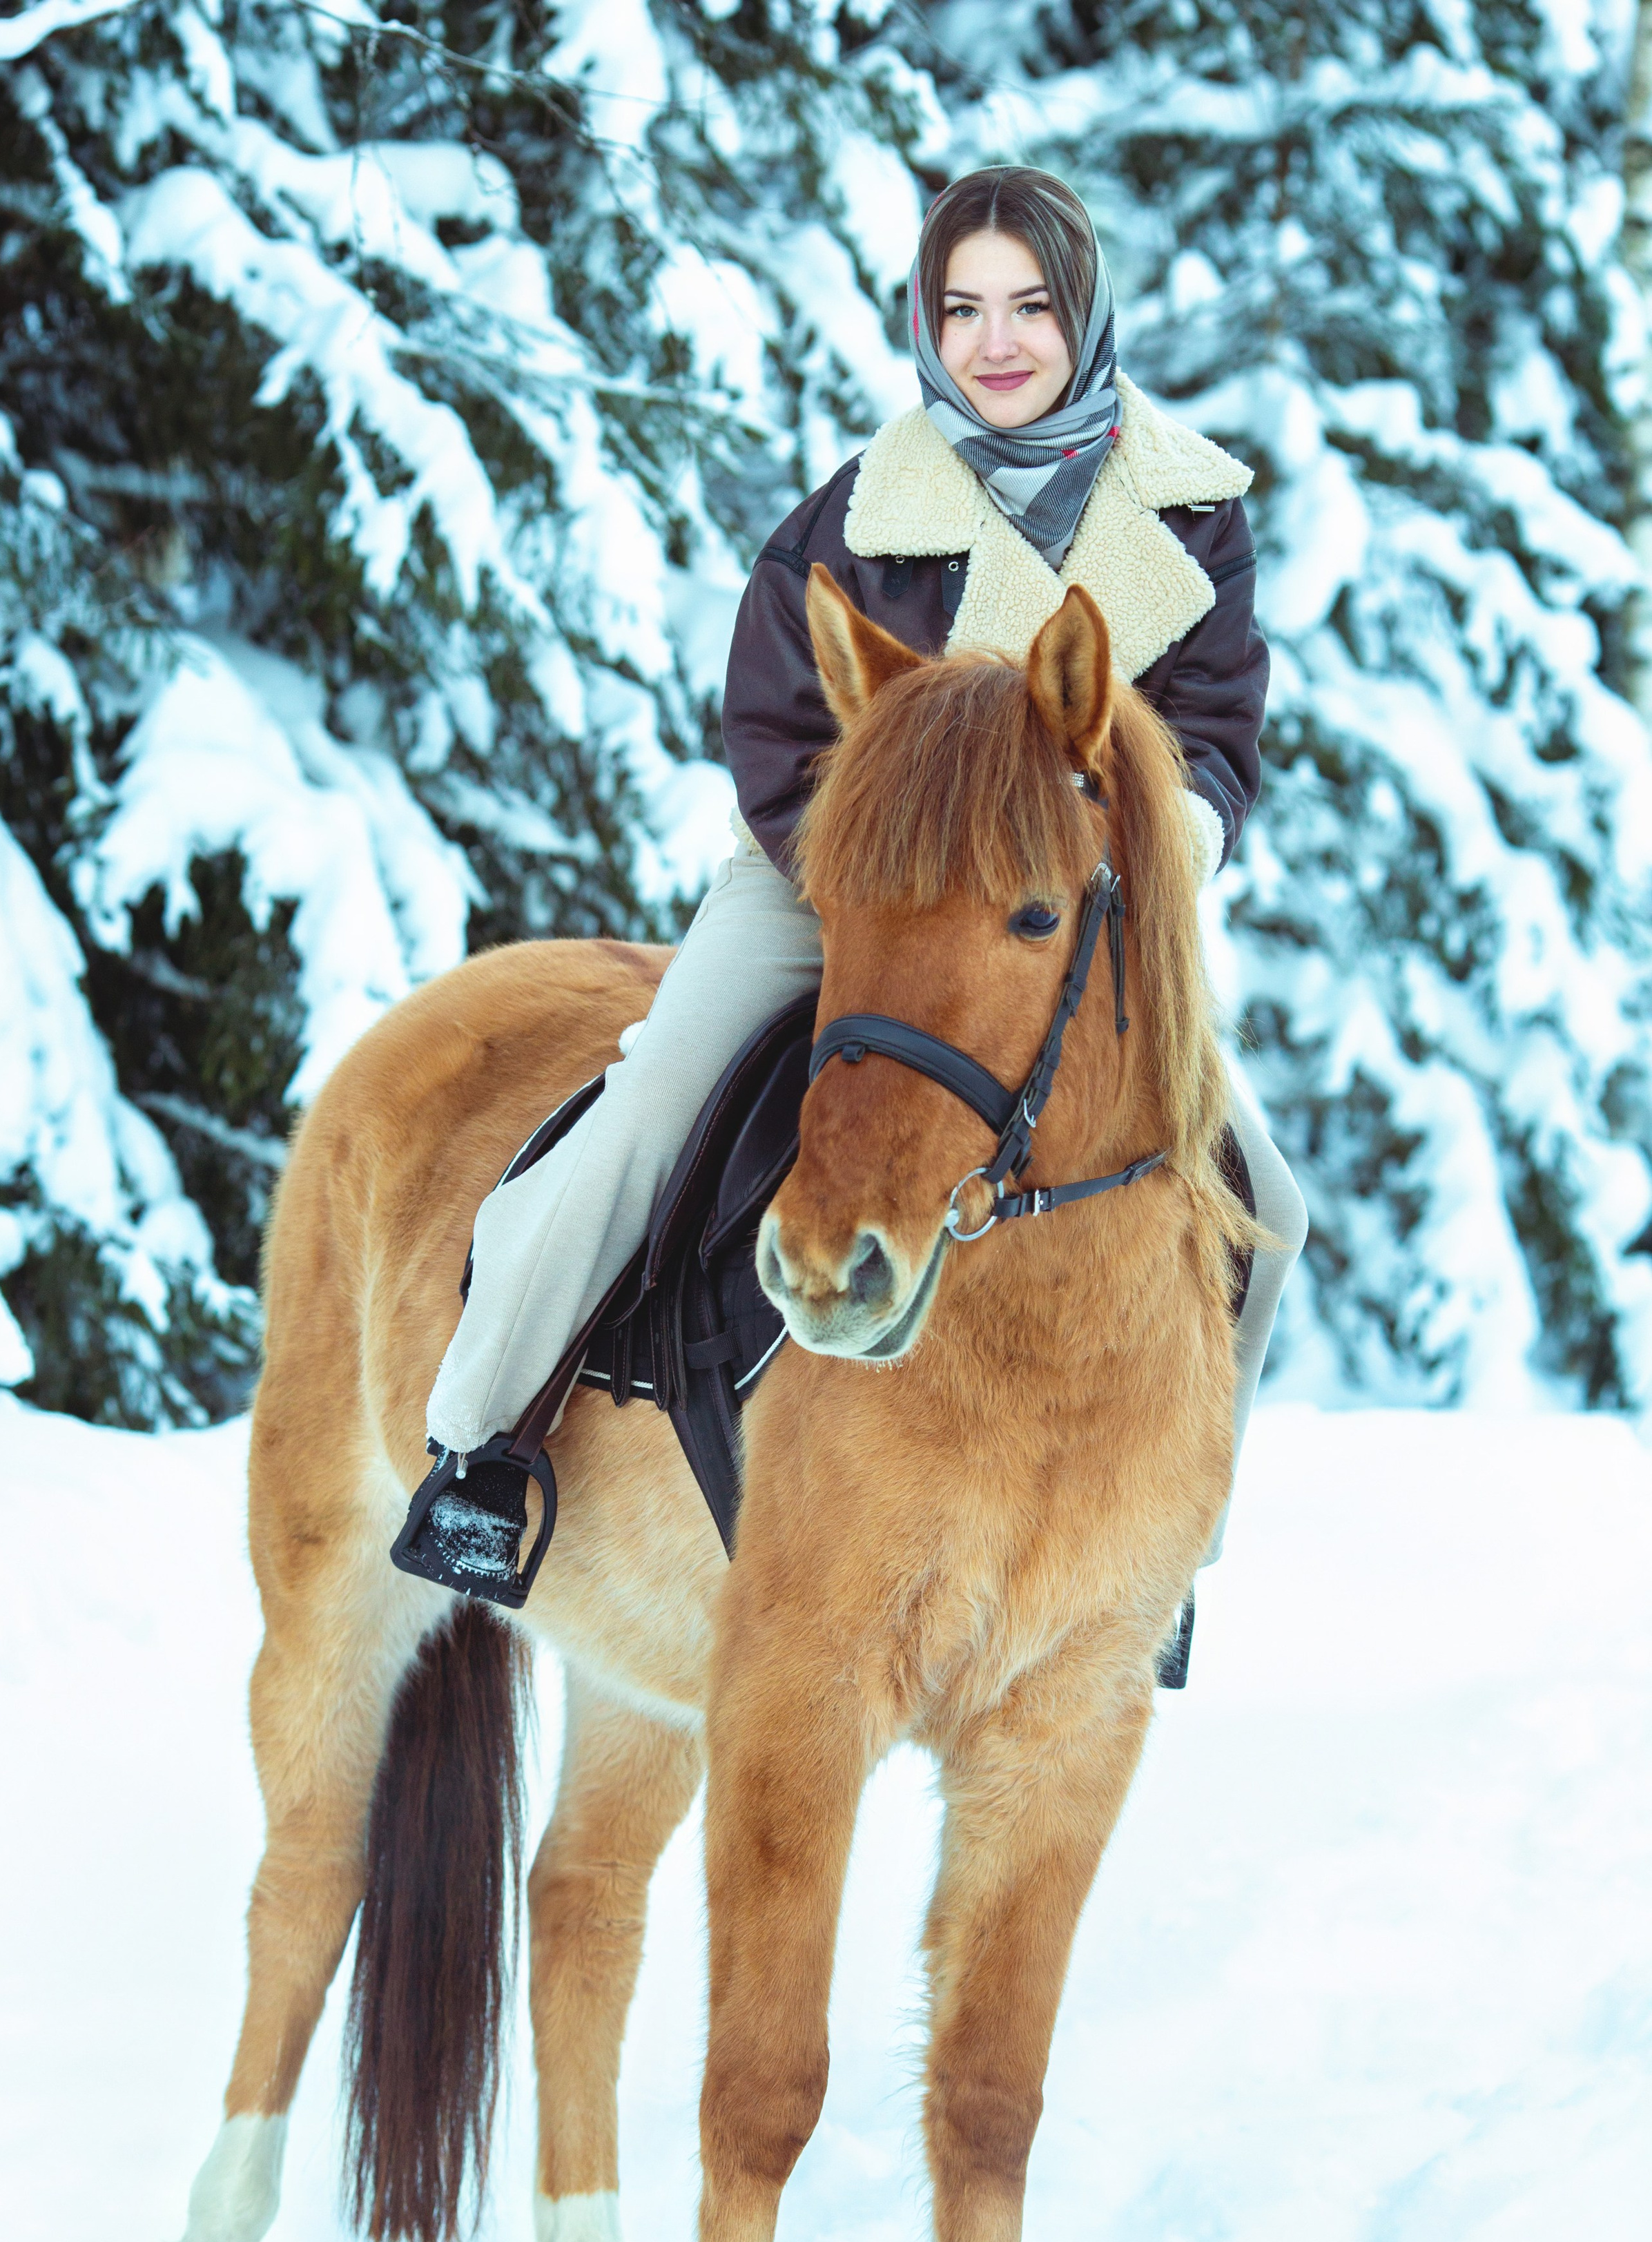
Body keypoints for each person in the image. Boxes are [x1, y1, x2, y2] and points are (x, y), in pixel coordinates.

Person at [427, 166, 1306, 1557]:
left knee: (1260, 1192)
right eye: (960, 309)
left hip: (1071, 912)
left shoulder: (1192, 516)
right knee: (654, 1100)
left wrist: (1149, 857)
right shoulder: (853, 520)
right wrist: (883, 876)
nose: (994, 341)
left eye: (1027, 305)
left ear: (1082, 314)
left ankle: (1166, 1542)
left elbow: (1207, 734)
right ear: (924, 324)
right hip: (830, 883)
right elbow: (777, 738)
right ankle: (480, 1448)